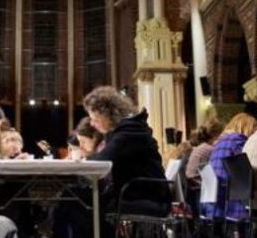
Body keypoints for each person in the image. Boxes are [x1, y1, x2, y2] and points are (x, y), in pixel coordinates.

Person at [58, 86, 170, 238]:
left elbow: (102, 160)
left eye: (94, 119)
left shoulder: (129, 132)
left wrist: (81, 159)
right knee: (72, 195)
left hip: (145, 198)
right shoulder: (128, 129)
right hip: (134, 193)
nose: (92, 124)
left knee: (74, 200)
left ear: (107, 115)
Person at [202, 112, 257, 221]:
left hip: (215, 206)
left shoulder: (218, 144)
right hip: (234, 207)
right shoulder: (238, 140)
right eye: (254, 130)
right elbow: (248, 168)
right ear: (247, 128)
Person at [185, 117, 224, 183]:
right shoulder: (210, 149)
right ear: (217, 134)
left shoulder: (201, 147)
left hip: (190, 183)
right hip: (197, 184)